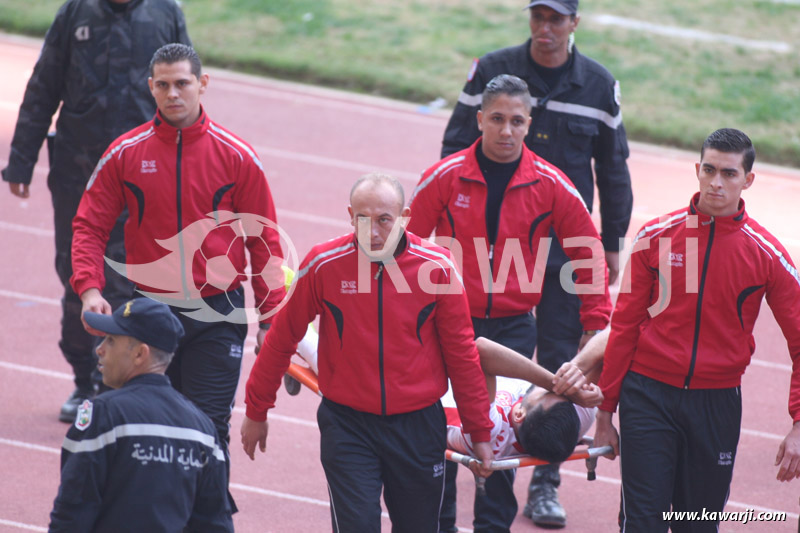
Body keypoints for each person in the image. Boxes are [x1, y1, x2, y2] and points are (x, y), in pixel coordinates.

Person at [439, 0, 633, 525]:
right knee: (445, 411)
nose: (546, 28)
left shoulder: (597, 84)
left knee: (556, 375)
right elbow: (453, 147)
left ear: (574, 22)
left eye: (556, 18)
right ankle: (437, 505)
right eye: (538, 16)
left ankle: (544, 479)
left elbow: (613, 165)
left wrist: (611, 240)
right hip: (484, 262)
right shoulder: (492, 68)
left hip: (561, 255)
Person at [70, 43, 285, 508]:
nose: (173, 94)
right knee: (147, 426)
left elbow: (264, 241)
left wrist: (271, 319)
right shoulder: (126, 153)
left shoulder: (238, 157)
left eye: (182, 83)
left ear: (202, 84)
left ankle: (209, 518)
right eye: (163, 85)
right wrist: (89, 290)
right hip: (150, 313)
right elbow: (89, 224)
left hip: (218, 314)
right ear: (150, 87)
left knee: (208, 426)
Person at [407, 73, 611, 532]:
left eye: (516, 121)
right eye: (496, 119)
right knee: (437, 428)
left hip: (516, 326)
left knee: (501, 438)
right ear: (479, 120)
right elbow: (407, 246)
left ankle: (492, 525)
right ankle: (438, 522)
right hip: (449, 321)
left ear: (529, 123)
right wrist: (406, 317)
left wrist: (595, 322)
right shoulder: (445, 176)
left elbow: (588, 248)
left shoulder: (551, 182)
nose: (506, 131)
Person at [241, 173, 495, 533]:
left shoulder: (437, 268)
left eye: (384, 220)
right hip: (348, 425)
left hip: (418, 426)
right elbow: (282, 339)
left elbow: (462, 356)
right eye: (362, 219)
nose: (372, 232)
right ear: (349, 215)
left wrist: (479, 433)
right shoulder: (322, 264)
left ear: (405, 217)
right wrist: (256, 409)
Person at [594, 128, 800, 532]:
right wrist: (605, 411)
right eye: (708, 170)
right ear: (697, 169)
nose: (716, 183)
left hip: (716, 404)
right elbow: (623, 327)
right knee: (642, 521)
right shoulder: (654, 237)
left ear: (748, 180)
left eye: (728, 173)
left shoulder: (767, 255)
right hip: (647, 395)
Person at [2, 0, 191, 423]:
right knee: (78, 274)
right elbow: (44, 84)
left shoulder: (165, 13)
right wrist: (21, 158)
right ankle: (85, 378)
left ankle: (132, 385)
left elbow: (185, 88)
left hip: (146, 179)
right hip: (78, 172)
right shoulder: (76, 12)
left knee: (139, 278)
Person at [49, 298, 233, 532]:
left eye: (111, 340)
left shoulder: (103, 414)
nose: (99, 349)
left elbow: (72, 511)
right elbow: (215, 524)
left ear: (139, 354)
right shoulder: (202, 428)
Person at [445, 329, 609, 464]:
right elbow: (611, 335)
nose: (559, 390)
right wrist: (576, 372)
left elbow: (480, 350)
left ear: (519, 414)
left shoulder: (491, 431)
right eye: (565, 395)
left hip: (433, 386)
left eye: (548, 393)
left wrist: (554, 382)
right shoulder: (575, 418)